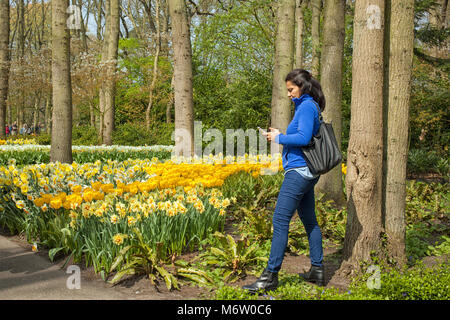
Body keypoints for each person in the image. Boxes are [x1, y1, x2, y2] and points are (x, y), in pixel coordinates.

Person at [243, 69, 326, 293]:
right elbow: (301, 134)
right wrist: (281, 134)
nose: (288, 94)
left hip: (299, 172)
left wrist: (278, 137)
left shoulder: (307, 106)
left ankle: (270, 275)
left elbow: (304, 137)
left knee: (280, 220)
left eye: (291, 89)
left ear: (302, 86)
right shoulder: (305, 106)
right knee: (310, 221)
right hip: (306, 172)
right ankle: (317, 269)